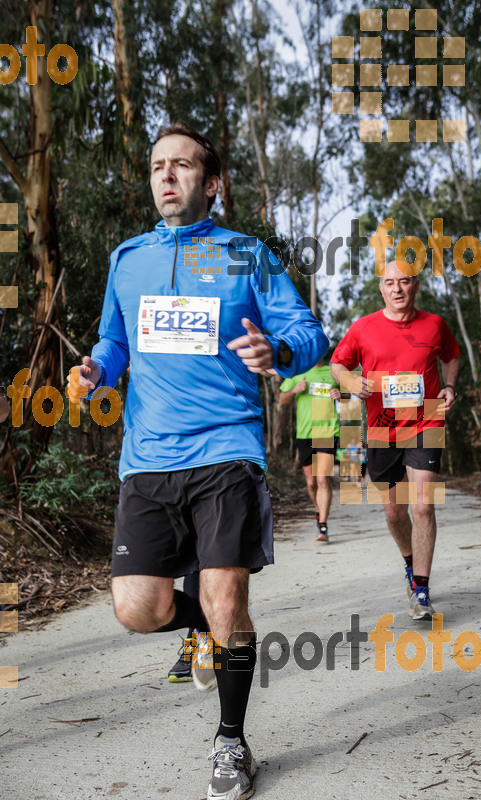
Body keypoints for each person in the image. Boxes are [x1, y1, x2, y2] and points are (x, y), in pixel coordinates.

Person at [67, 121, 328, 800]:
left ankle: (231, 743)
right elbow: (112, 341)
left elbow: (308, 331)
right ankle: (211, 634)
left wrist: (281, 353)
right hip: (148, 458)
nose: (166, 176)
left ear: (211, 184)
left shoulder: (247, 256)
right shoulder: (128, 259)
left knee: (225, 596)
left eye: (182, 166)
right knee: (137, 608)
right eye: (158, 166)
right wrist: (96, 370)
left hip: (225, 451)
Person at [330, 261, 460, 620]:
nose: (397, 288)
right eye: (389, 282)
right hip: (381, 429)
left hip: (426, 421)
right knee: (393, 511)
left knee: (422, 506)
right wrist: (351, 382)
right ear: (381, 289)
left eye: (404, 281)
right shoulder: (362, 328)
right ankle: (409, 564)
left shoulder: (434, 324)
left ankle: (421, 588)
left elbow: (451, 356)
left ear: (416, 285)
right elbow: (337, 365)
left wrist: (449, 386)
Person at [279, 360, 340, 543]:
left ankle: (323, 525)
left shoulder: (332, 372)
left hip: (327, 431)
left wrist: (340, 394)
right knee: (311, 482)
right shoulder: (297, 370)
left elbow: (349, 393)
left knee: (322, 479)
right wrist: (294, 390)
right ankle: (319, 511)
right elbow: (282, 399)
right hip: (305, 432)